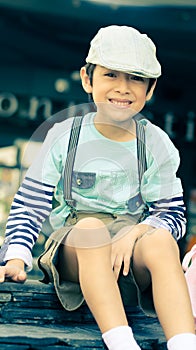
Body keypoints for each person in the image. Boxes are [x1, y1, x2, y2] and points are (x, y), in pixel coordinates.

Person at [0, 25, 195, 350]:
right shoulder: (65, 135)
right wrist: (17, 258)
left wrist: (135, 233)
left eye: (135, 77)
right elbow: (30, 205)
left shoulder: (156, 143)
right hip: (76, 246)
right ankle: (121, 342)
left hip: (129, 252)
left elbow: (172, 215)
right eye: (111, 75)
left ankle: (185, 344)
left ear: (150, 88)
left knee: (161, 240)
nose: (123, 88)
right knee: (91, 228)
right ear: (88, 79)